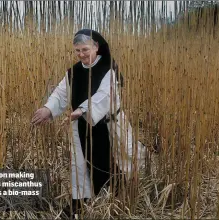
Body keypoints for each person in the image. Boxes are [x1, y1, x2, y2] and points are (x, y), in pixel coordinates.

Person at [31, 29, 145, 217]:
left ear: (96, 47)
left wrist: (83, 109)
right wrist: (48, 109)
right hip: (82, 126)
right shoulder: (73, 72)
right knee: (81, 166)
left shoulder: (108, 69)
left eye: (85, 49)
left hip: (110, 125)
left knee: (120, 160)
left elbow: (105, 96)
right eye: (77, 51)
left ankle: (117, 201)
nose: (81, 54)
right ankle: (81, 203)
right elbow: (60, 94)